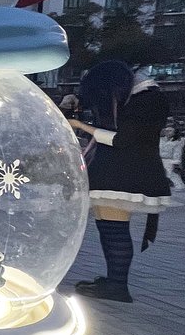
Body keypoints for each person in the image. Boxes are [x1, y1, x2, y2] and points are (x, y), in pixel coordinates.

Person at [67, 62, 177, 302]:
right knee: (111, 229)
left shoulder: (147, 100)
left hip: (124, 177)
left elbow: (122, 140)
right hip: (122, 174)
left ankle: (117, 285)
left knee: (114, 231)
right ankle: (114, 281)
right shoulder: (146, 97)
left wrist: (81, 126)